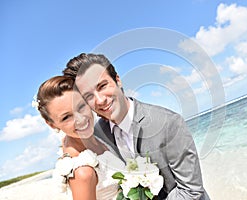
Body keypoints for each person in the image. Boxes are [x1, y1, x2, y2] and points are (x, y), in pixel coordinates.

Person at [63, 53, 210, 200]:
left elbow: (191, 191)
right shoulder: (97, 135)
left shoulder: (169, 123)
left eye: (102, 86)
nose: (100, 100)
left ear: (117, 80)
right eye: (88, 96)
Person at [36, 76, 124, 200]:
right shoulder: (83, 172)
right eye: (66, 117)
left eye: (81, 107)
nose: (81, 119)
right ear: (51, 124)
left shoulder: (88, 138)